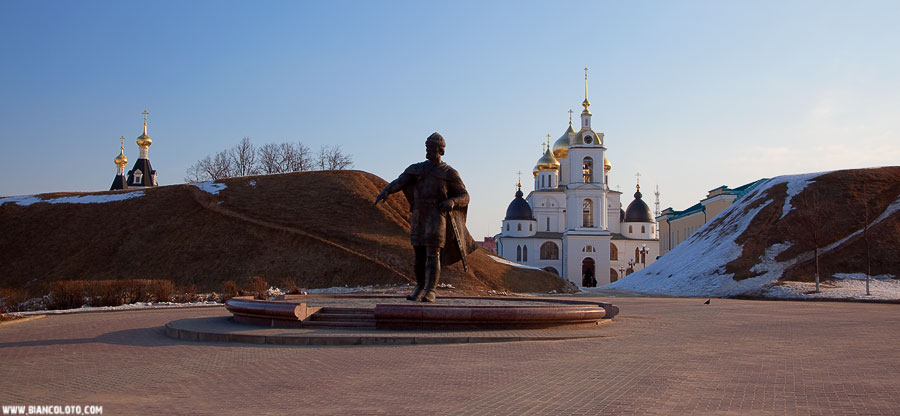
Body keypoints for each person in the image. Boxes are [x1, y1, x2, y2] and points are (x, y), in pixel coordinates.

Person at [374, 132, 475, 302]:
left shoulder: (449, 173)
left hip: (437, 216)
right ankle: (420, 285)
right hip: (419, 215)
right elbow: (400, 181)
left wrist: (452, 201)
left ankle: (430, 290)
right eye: (427, 147)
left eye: (432, 147)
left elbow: (465, 196)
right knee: (419, 254)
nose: (428, 150)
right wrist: (386, 191)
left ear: (440, 150)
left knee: (433, 253)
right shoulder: (417, 169)